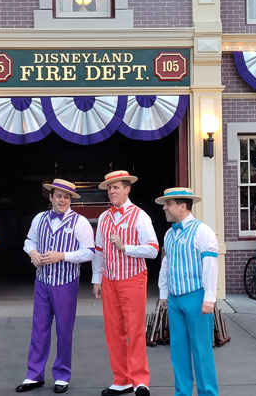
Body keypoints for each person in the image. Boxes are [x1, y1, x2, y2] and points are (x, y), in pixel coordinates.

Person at [15, 179, 95, 394]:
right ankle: (34, 375)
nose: (63, 200)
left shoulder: (80, 222)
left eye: (67, 197)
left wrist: (63, 256)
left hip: (66, 283)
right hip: (42, 282)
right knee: (38, 330)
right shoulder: (39, 219)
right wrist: (32, 253)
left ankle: (62, 375)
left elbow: (89, 252)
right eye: (59, 196)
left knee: (64, 330)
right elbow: (29, 241)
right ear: (50, 197)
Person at [92, 170, 159, 396]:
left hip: (133, 278)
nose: (112, 191)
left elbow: (152, 249)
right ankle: (121, 380)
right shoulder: (103, 217)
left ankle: (140, 380)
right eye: (110, 188)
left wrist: (126, 248)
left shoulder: (140, 215)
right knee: (113, 331)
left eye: (116, 187)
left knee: (135, 330)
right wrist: (96, 279)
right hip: (109, 280)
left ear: (128, 188)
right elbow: (99, 251)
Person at [155, 187, 219, 396]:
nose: (164, 208)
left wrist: (210, 298)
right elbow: (166, 264)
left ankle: (208, 393)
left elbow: (210, 265)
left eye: (169, 204)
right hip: (174, 299)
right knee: (179, 351)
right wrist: (164, 293)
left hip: (196, 297)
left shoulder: (202, 231)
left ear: (182, 206)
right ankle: (182, 393)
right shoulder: (169, 234)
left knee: (202, 351)